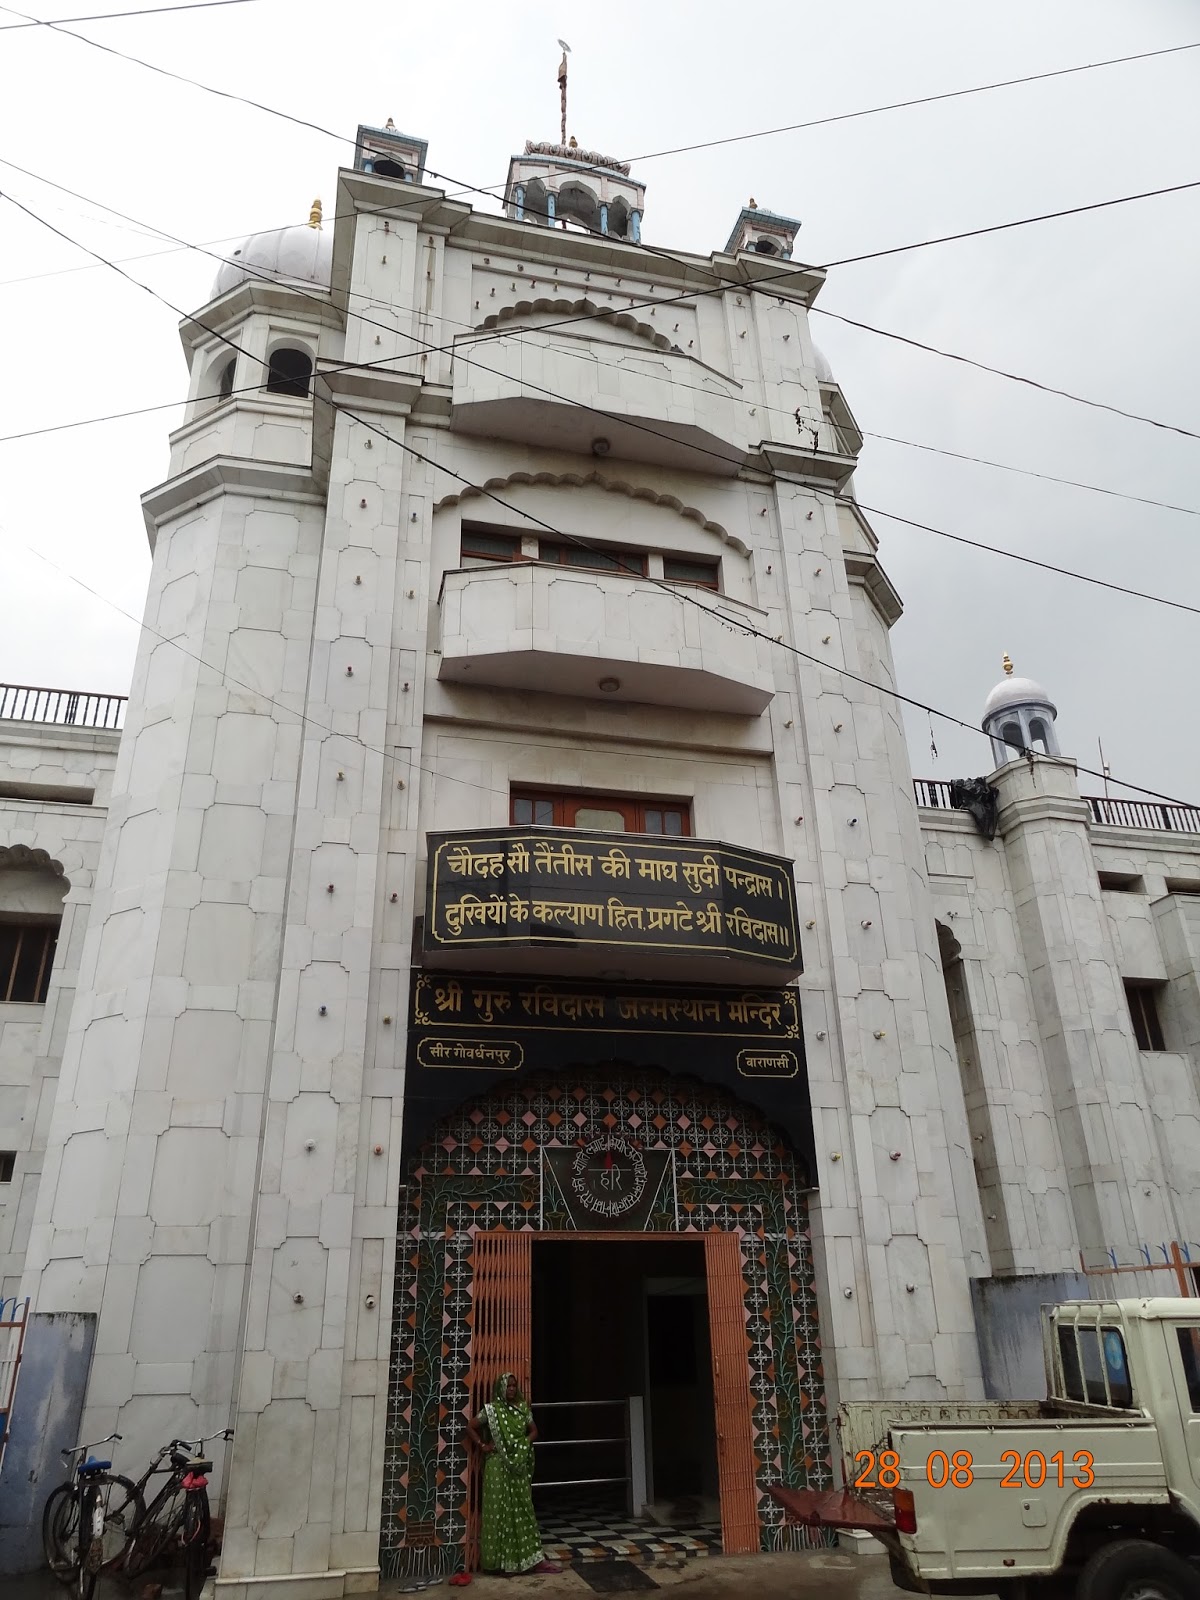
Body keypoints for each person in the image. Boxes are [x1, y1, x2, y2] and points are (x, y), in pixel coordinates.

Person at [466, 1373, 561, 1576]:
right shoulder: (491, 1411)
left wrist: (523, 1444)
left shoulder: (521, 1408)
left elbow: (533, 1431)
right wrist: (483, 1446)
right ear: (500, 1388)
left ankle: (532, 1560)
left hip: (517, 1465)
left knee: (522, 1508)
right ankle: (499, 1563)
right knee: (498, 1512)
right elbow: (471, 1426)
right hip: (496, 1466)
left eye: (513, 1386)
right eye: (507, 1386)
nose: (510, 1389)